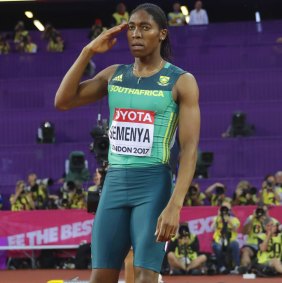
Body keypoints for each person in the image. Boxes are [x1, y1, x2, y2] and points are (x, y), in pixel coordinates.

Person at [54, 3, 200, 283]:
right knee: (101, 278)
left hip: (153, 185)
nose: (135, 33)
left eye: (145, 27)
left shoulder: (181, 81)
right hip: (115, 184)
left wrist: (175, 204)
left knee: (145, 277)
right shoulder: (114, 75)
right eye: (131, 27)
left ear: (162, 34)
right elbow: (63, 101)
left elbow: (190, 150)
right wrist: (88, 51)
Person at [211, 202, 240, 274]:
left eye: (226, 209)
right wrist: (218, 218)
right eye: (223, 208)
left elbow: (236, 229)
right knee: (216, 246)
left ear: (230, 210)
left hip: (230, 241)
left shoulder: (234, 219)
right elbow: (212, 229)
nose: (224, 211)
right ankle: (221, 267)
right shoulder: (216, 219)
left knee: (235, 244)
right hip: (219, 241)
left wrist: (229, 221)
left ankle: (237, 267)